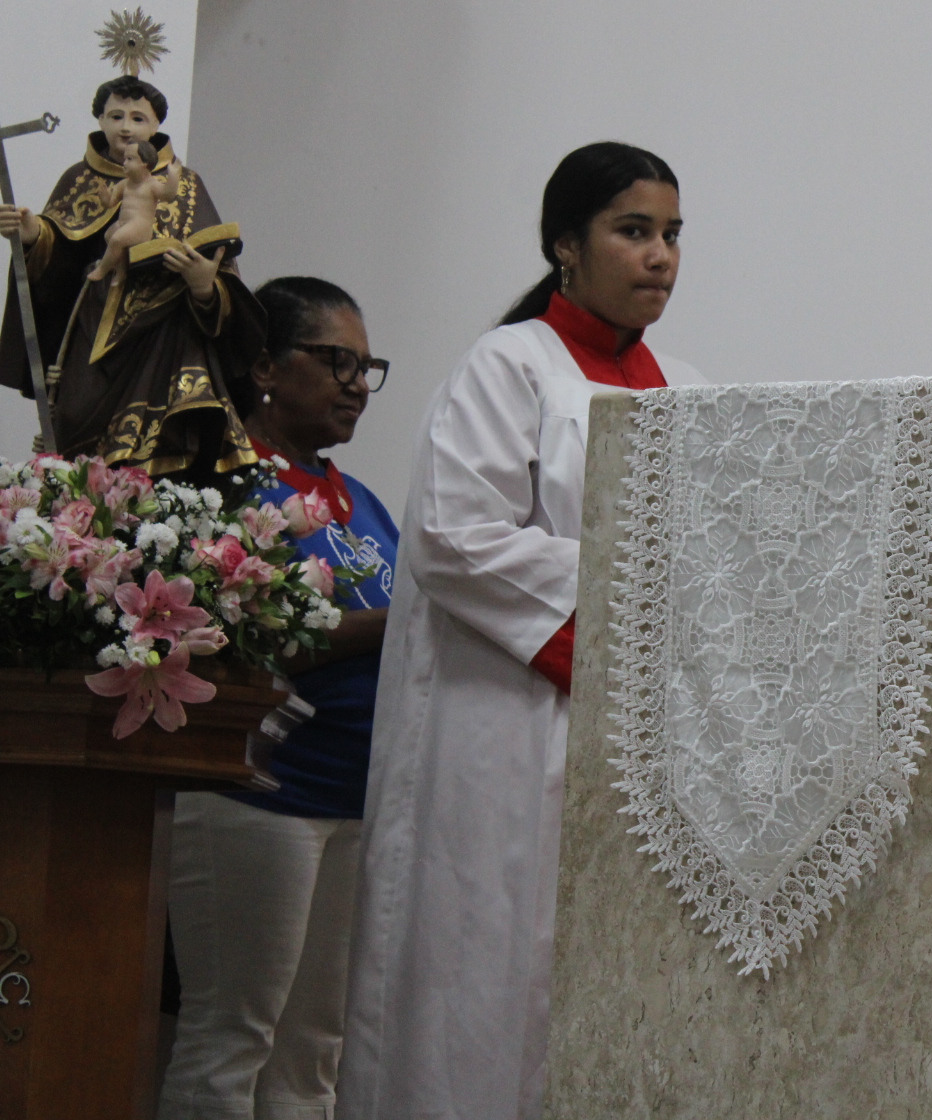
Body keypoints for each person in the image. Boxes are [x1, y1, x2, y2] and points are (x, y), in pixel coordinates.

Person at [339, 142, 705, 1120]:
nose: (660, 255)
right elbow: (456, 538)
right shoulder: (508, 367)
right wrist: (620, 630)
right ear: (565, 245)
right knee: (489, 972)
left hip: (633, 741)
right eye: (633, 230)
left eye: (672, 234)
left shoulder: (687, 390)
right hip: (508, 724)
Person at [160, 277, 398, 1120]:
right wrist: (403, 621)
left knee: (313, 1054)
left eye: (366, 368)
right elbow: (255, 636)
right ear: (264, 365)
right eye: (336, 361)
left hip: (353, 799)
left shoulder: (362, 502)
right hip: (259, 796)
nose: (355, 385)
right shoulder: (224, 492)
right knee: (233, 1038)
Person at [0, 75, 261, 478]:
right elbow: (60, 255)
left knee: (166, 442)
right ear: (100, 120)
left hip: (165, 331)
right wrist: (34, 232)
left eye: (138, 118)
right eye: (115, 116)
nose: (125, 127)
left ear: (156, 126)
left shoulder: (185, 183)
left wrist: (202, 284)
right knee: (75, 412)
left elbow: (218, 264)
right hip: (95, 312)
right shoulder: (78, 178)